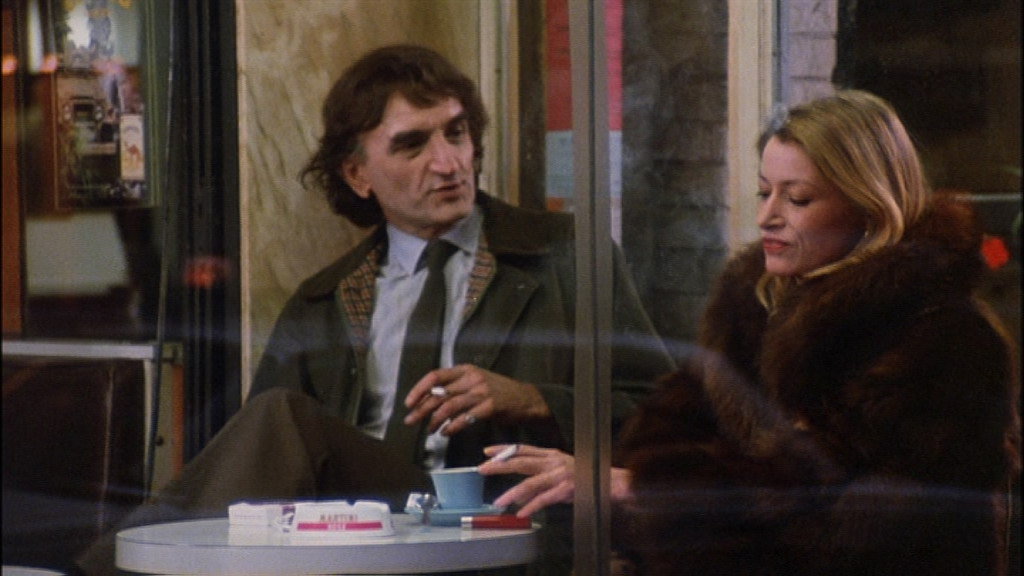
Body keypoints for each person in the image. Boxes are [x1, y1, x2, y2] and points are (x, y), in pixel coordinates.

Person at [73, 44, 674, 576]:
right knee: (279, 420)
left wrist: (533, 399)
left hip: (496, 528)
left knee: (282, 416)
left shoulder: (568, 257)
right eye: (413, 144)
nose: (449, 163)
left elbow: (661, 421)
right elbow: (266, 469)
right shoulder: (323, 300)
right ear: (358, 174)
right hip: (359, 535)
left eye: (457, 133)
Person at [479, 90, 1021, 576]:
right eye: (764, 192)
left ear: (869, 208)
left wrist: (640, 487)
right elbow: (668, 438)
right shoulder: (753, 309)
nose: (767, 217)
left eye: (798, 199)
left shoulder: (946, 340)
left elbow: (855, 528)